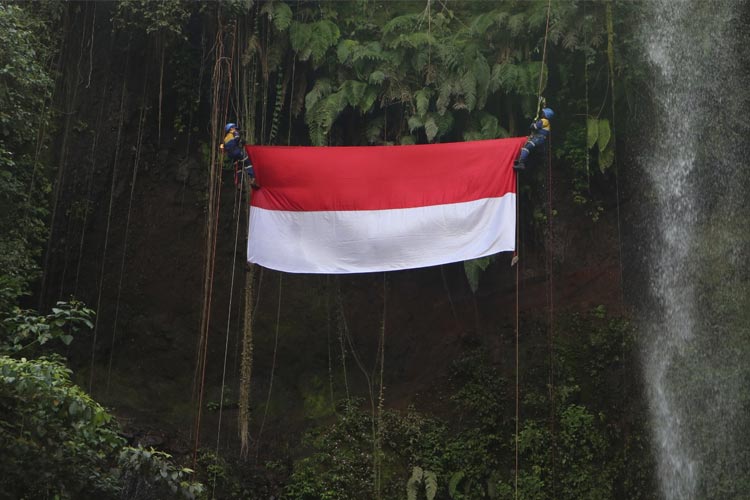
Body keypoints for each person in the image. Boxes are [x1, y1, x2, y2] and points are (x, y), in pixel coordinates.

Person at [220, 123, 258, 187]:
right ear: (231, 128)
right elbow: (237, 139)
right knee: (247, 163)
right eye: (234, 128)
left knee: (238, 167)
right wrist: (242, 141)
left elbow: (223, 148)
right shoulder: (234, 132)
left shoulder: (225, 138)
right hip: (237, 152)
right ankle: (252, 179)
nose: (235, 129)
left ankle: (238, 183)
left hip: (230, 155)